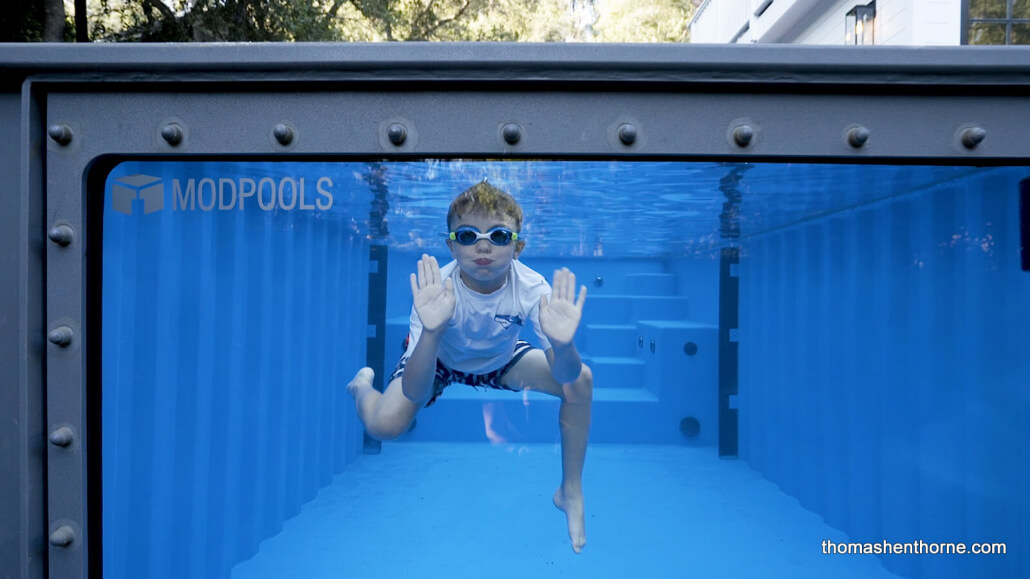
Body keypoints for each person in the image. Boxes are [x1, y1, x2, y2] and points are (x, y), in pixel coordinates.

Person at [346, 181, 593, 553]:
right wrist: (431, 331)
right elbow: (416, 391)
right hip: (438, 357)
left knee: (582, 381)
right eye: (467, 235)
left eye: (498, 235)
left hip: (500, 359)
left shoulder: (532, 287)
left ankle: (570, 490)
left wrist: (563, 344)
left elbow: (565, 375)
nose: (483, 246)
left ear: (517, 247)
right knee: (384, 426)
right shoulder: (436, 290)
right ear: (451, 245)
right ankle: (361, 387)